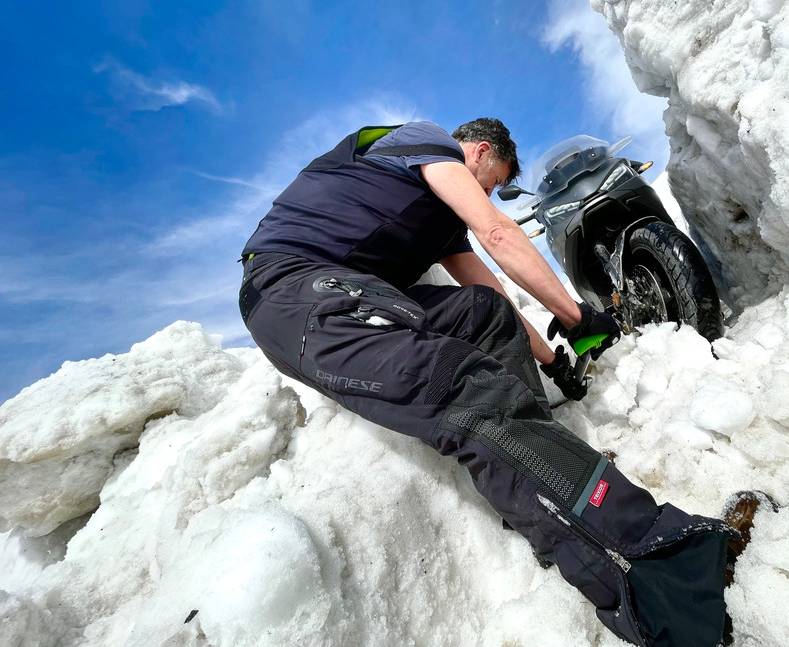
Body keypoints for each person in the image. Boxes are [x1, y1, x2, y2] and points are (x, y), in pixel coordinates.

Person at [239, 118, 755, 647]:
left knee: (481, 312)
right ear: (480, 152)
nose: (485, 196)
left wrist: (554, 361)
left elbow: (496, 299)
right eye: (490, 184)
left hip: (352, 292)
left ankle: (545, 481)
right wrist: (577, 316)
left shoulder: (439, 228)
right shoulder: (427, 143)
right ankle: (668, 563)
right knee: (463, 389)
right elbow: (499, 233)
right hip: (292, 292)